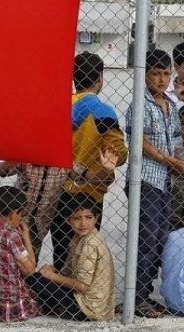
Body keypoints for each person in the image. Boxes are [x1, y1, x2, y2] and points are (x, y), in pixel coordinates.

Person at [125, 49, 184, 318]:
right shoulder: (140, 104)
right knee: (145, 239)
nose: (162, 79)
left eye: (166, 73)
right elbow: (140, 145)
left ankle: (144, 293)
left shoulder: (168, 103)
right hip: (145, 180)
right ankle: (136, 298)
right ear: (145, 74)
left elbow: (175, 143)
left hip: (164, 181)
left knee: (158, 240)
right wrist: (172, 162)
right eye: (156, 73)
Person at [50, 52, 128, 270]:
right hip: (90, 191)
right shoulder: (103, 111)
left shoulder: (59, 106)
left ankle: (61, 298)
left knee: (62, 250)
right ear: (100, 78)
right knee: (86, 252)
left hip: (59, 189)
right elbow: (119, 154)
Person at [26, 192, 115, 321]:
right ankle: (53, 306)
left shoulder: (90, 243)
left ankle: (55, 308)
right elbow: (66, 272)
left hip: (88, 308)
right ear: (68, 220)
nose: (83, 223)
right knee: (39, 278)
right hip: (81, 297)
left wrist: (52, 276)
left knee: (35, 280)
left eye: (88, 217)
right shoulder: (78, 237)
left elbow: (82, 286)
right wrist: (52, 272)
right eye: (77, 218)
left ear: (96, 218)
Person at [0, 186, 41, 322]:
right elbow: (30, 270)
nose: (21, 220)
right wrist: (27, 239)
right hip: (13, 307)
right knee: (44, 296)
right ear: (13, 213)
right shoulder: (11, 235)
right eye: (21, 215)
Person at [0, 162, 68, 260]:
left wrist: (93, 175)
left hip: (40, 225)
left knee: (31, 257)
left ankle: (28, 270)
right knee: (6, 255)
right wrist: (9, 162)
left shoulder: (64, 165)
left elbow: (83, 173)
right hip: (16, 219)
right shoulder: (26, 162)